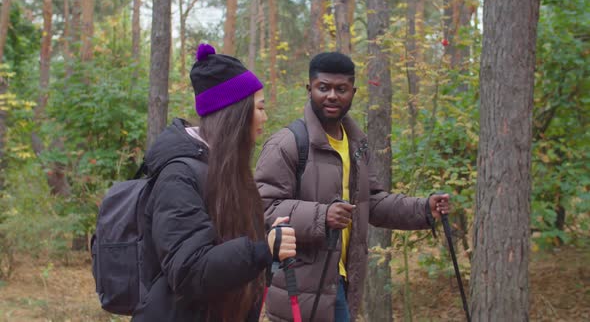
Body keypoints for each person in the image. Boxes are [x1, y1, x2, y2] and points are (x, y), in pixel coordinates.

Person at [254, 52, 450, 322]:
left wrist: (423, 209)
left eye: (341, 89)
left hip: (342, 281)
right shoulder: (287, 143)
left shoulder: (356, 145)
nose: (332, 95)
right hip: (298, 287)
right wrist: (323, 216)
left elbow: (371, 203)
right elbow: (264, 208)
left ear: (353, 92)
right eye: (324, 88)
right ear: (309, 89)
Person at [131, 43, 296, 322]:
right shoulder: (178, 176)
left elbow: (221, 241)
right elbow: (188, 269)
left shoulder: (228, 171)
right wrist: (260, 250)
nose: (265, 118)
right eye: (259, 108)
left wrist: (266, 235)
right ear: (235, 113)